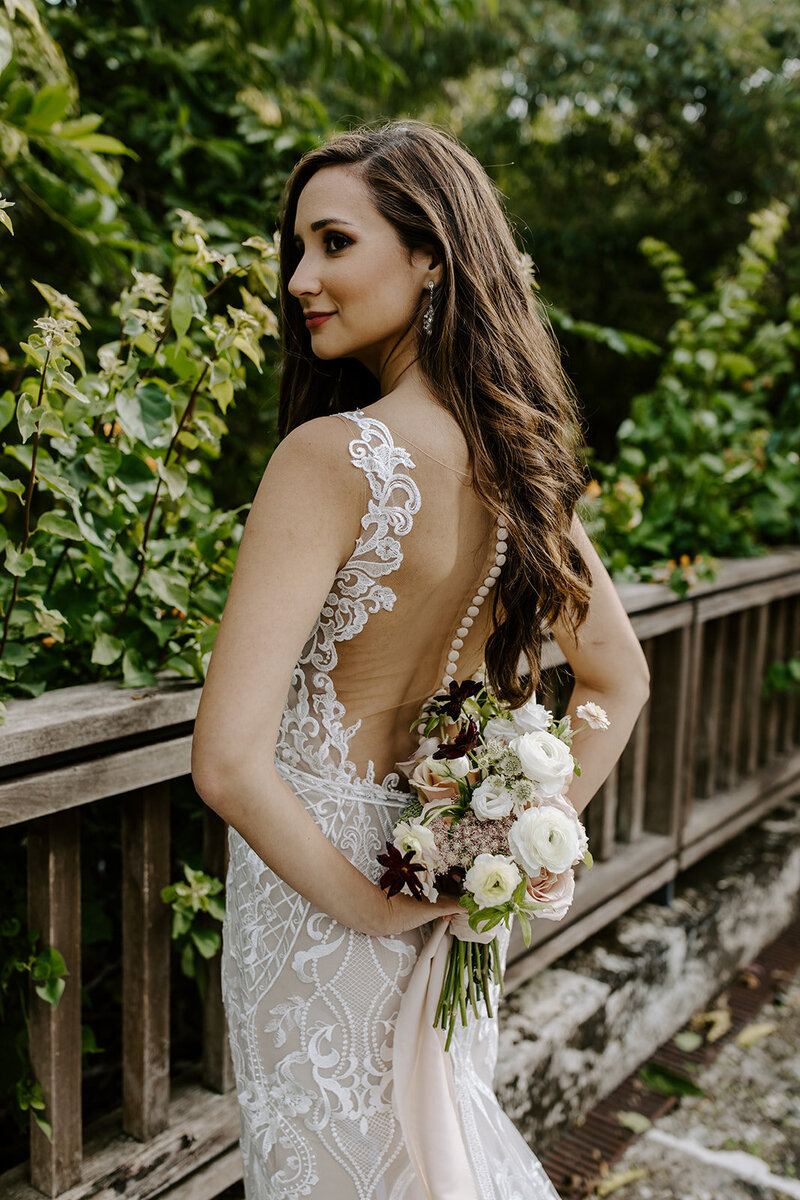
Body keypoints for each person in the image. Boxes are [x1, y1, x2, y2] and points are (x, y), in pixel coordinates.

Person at [191, 118, 650, 1200]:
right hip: (447, 888)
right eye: (295, 248)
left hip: (327, 898)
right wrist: (505, 860)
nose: (301, 277)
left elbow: (225, 763)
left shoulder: (326, 458)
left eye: (334, 243)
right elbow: (616, 680)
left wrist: (370, 905)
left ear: (430, 254)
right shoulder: (521, 465)